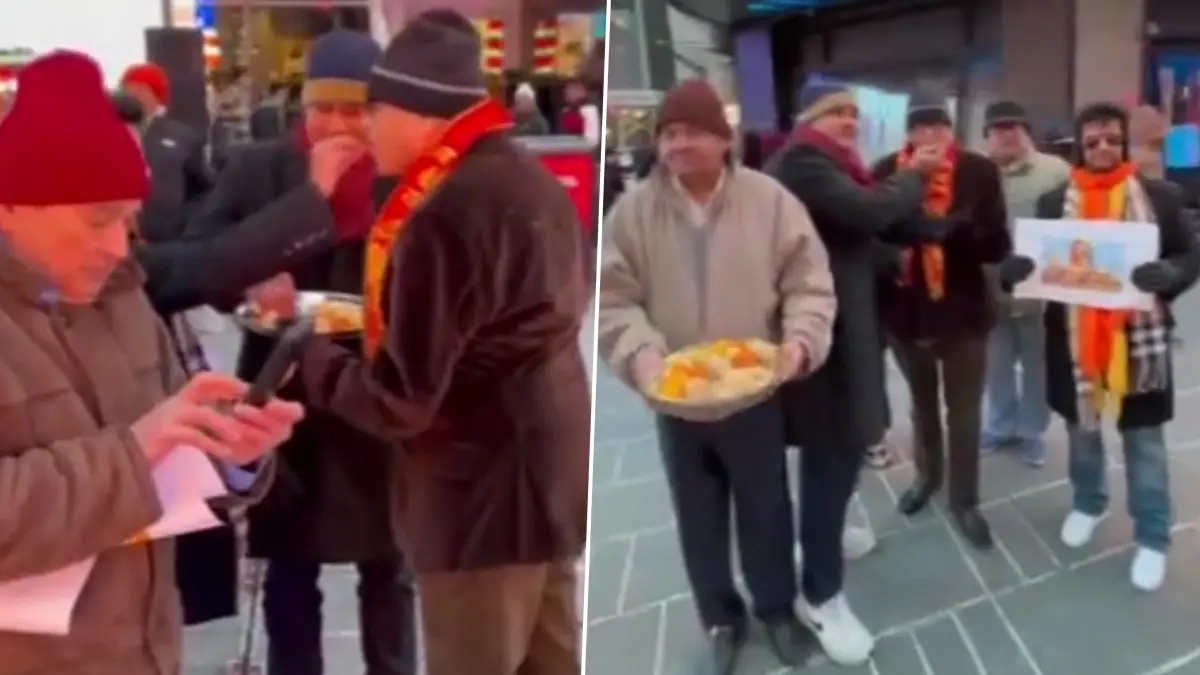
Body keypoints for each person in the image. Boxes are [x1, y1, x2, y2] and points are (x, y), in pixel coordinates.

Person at [289, 10, 591, 675]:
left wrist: (313, 359)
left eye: (375, 110)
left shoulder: (444, 211)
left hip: (478, 503)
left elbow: (401, 402)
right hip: (551, 471)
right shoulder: (530, 179)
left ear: (421, 114)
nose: (365, 128)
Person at [0, 50, 302, 675]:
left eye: (129, 221)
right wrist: (138, 450)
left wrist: (229, 453)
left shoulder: (124, 299)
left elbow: (169, 456)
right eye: (98, 220)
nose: (118, 247)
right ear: (10, 206)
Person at [187, 32, 419, 675]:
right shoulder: (260, 170)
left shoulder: (403, 178)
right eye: (323, 109)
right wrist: (251, 276)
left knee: (390, 565)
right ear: (303, 107)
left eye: (355, 110)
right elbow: (202, 258)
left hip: (373, 389)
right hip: (279, 389)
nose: (337, 125)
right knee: (289, 568)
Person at [600, 79, 836, 675]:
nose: (678, 145)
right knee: (697, 517)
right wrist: (640, 354)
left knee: (766, 507)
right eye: (668, 135)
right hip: (677, 397)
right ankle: (721, 619)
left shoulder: (769, 200)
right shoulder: (634, 211)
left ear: (724, 140)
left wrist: (800, 342)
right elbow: (614, 298)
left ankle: (776, 608)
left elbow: (809, 283)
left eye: (692, 133)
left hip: (751, 395)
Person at [765, 80, 946, 666]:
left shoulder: (835, 165)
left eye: (853, 113)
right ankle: (819, 595)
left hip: (844, 330)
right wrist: (916, 175)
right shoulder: (802, 161)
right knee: (833, 451)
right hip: (823, 340)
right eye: (836, 112)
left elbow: (847, 234)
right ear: (809, 118)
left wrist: (907, 248)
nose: (849, 121)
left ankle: (829, 531)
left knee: (842, 449)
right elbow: (867, 212)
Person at [998, 102, 1200, 591]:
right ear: (1080, 146)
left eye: (1113, 139)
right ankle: (1089, 502)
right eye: (1093, 141)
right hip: (1073, 341)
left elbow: (1189, 256)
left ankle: (1152, 535)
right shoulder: (1053, 203)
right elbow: (1035, 263)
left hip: (1136, 341)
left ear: (1124, 142)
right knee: (1082, 432)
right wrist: (1014, 273)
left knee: (1143, 440)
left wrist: (1171, 273)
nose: (1104, 148)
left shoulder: (1161, 197)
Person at [872, 91, 1011, 547]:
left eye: (939, 125)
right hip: (905, 311)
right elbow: (873, 236)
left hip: (964, 311)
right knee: (922, 403)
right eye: (921, 126)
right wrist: (908, 233)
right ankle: (927, 476)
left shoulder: (978, 171)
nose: (931, 135)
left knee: (965, 410)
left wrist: (959, 230)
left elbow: (997, 244)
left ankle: (965, 499)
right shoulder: (884, 171)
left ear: (952, 130)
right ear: (908, 133)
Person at [979, 101, 1070, 466]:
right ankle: (1000, 426)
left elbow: (1074, 223)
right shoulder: (976, 172)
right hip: (990, 290)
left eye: (1014, 127)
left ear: (1026, 131)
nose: (1008, 134)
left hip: (1040, 291)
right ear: (987, 135)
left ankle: (1033, 431)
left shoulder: (1055, 170)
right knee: (996, 364)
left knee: (1038, 365)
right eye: (999, 128)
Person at [120, 63, 213, 242]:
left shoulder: (182, 136)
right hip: (122, 237)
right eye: (127, 88)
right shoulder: (109, 134)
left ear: (155, 94)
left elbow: (203, 188)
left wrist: (187, 223)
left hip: (168, 240)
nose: (132, 94)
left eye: (140, 89)